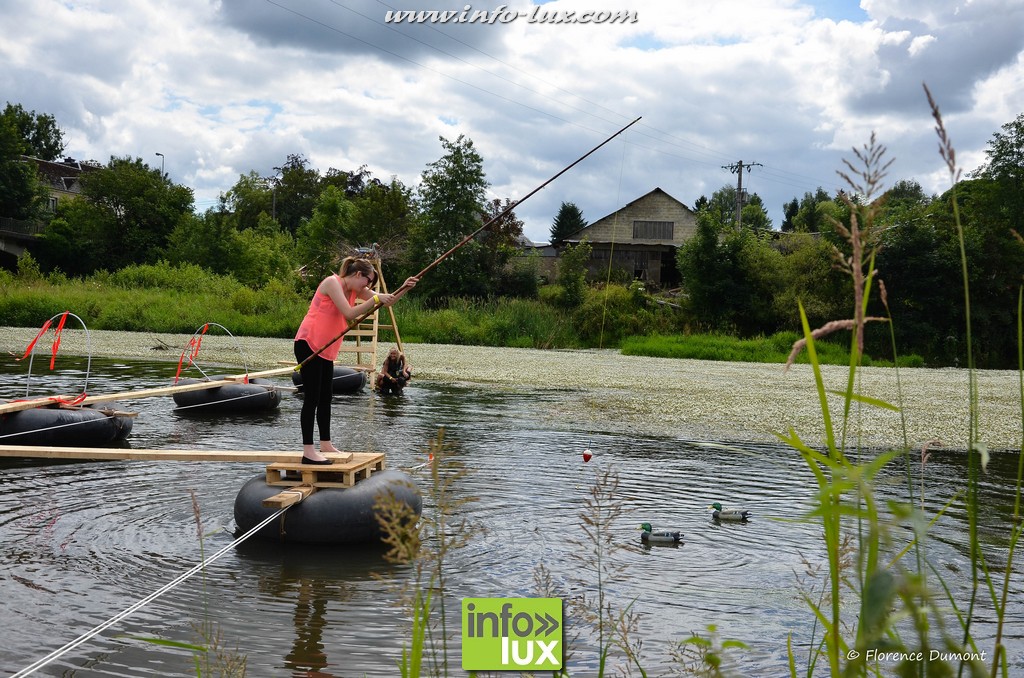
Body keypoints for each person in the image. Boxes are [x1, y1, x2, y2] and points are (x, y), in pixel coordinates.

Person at [294, 257, 418, 464]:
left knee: (325, 397)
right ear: (358, 274)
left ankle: (325, 444)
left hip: (326, 350)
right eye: (367, 281)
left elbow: (387, 300)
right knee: (312, 398)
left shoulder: (355, 289)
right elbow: (349, 313)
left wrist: (404, 288)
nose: (367, 287)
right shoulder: (332, 283)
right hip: (309, 344)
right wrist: (376, 299)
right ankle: (308, 451)